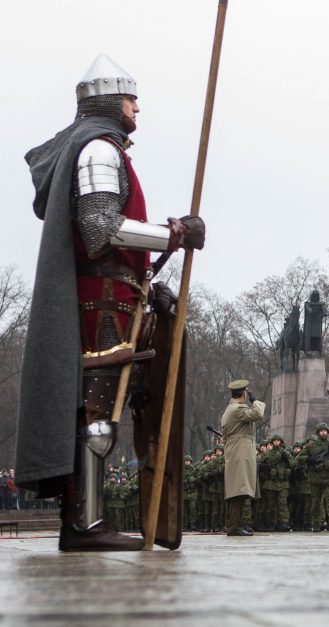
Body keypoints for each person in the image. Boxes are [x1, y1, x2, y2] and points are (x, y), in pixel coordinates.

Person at [16, 54, 205, 551]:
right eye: (131, 98)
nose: (138, 108)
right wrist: (173, 234)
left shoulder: (101, 148)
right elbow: (100, 230)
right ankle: (85, 524)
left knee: (99, 411)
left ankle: (86, 521)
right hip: (102, 306)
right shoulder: (99, 149)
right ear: (109, 102)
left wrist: (150, 272)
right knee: (97, 415)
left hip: (115, 297)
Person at [220, 380, 265, 537]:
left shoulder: (230, 409)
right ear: (244, 393)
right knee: (238, 491)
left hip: (238, 450)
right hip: (240, 451)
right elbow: (258, 414)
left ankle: (235, 525)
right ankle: (234, 527)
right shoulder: (237, 409)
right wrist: (256, 401)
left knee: (238, 490)